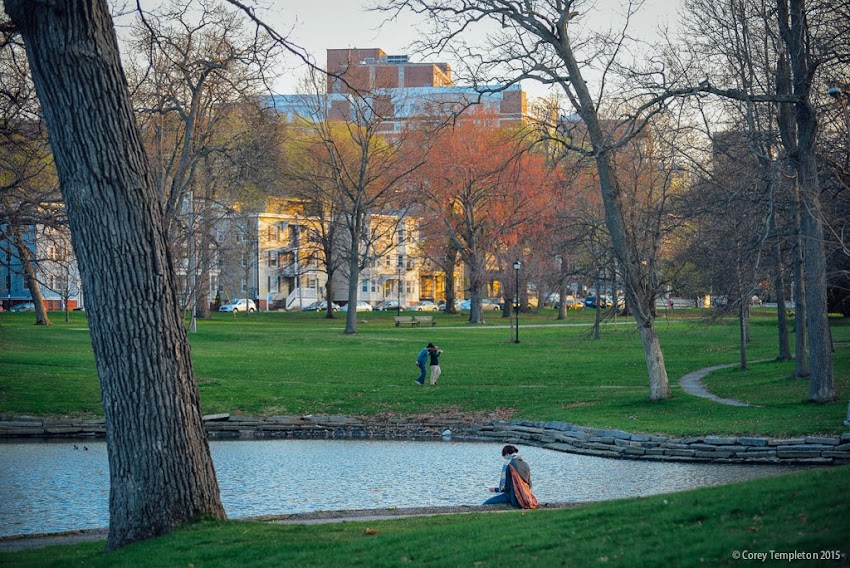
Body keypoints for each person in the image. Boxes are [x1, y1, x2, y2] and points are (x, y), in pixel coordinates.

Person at [483, 445, 538, 509]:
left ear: (507, 454)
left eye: (504, 457)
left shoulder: (509, 464)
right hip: (526, 496)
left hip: (514, 498)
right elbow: (530, 485)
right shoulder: (525, 464)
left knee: (485, 504)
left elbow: (507, 488)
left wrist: (495, 489)